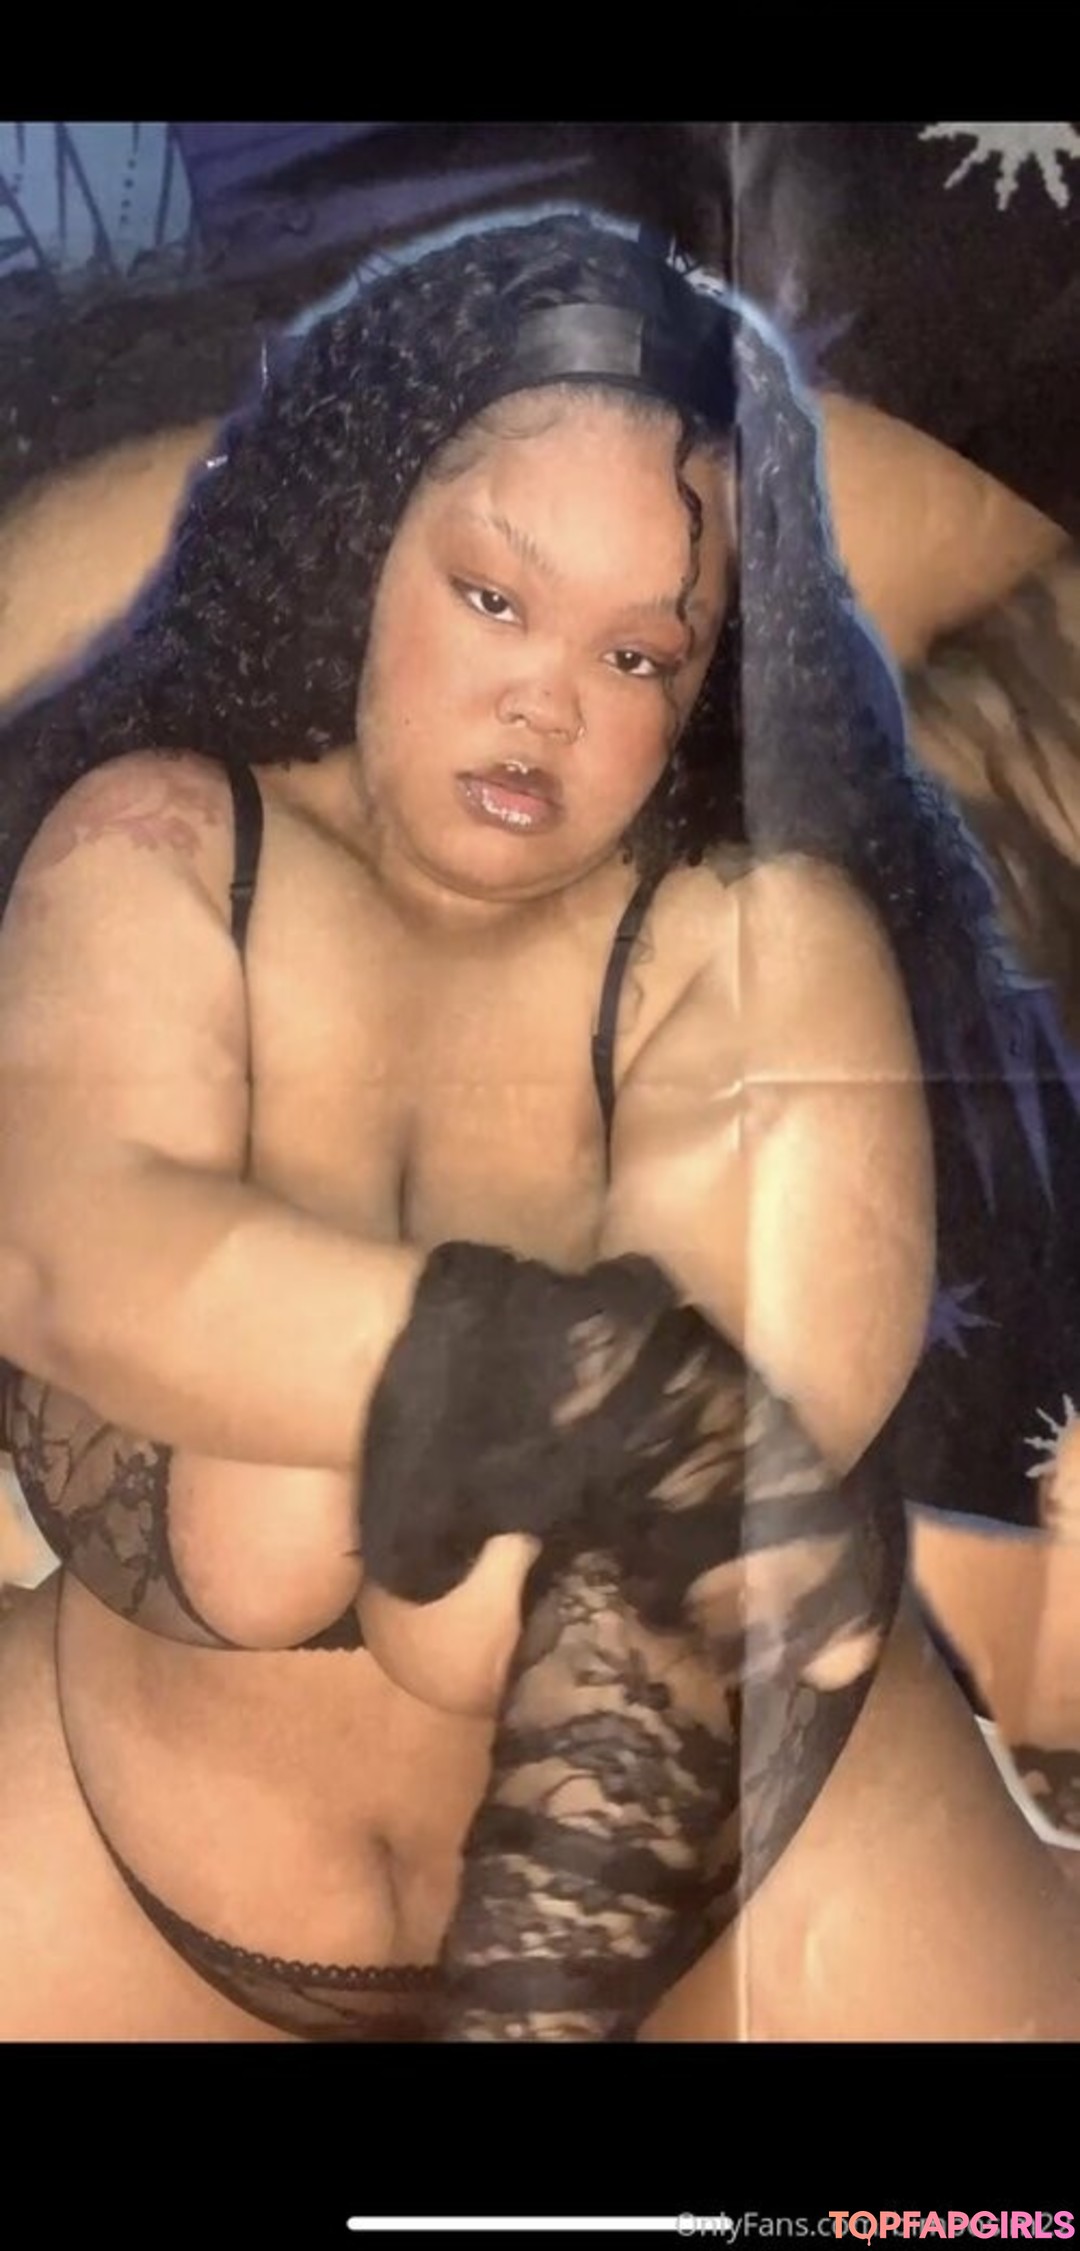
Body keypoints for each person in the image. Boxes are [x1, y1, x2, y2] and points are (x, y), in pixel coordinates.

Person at [0, 210, 1077, 2045]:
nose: (545, 702)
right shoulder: (162, 846)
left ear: (715, 686)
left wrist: (557, 1401)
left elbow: (748, 1452)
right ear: (359, 545)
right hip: (121, 1871)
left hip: (761, 1867)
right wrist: (576, 1378)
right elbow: (68, 1247)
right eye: (494, 599)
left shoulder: (749, 941)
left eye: (640, 657)